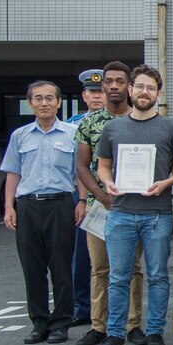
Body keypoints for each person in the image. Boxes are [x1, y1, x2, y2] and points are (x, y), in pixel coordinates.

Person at [93, 64, 173, 345]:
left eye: (151, 88)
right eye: (140, 87)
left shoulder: (170, 127)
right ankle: (116, 334)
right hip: (120, 212)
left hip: (157, 212)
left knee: (158, 275)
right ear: (130, 90)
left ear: (158, 94)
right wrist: (107, 183)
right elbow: (103, 165)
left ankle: (156, 332)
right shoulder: (113, 127)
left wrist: (166, 183)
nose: (145, 92)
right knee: (119, 276)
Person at [2, 81, 85, 344]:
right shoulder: (20, 136)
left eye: (50, 98)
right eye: (38, 98)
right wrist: (8, 207)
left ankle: (61, 322)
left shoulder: (73, 133)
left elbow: (80, 171)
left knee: (61, 266)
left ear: (59, 103)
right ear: (30, 103)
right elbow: (13, 173)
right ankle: (39, 322)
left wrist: (82, 200)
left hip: (61, 204)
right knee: (32, 266)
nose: (44, 103)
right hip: (27, 205)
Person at [73, 61, 145, 345]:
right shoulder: (89, 123)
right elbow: (81, 166)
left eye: (119, 81)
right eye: (109, 81)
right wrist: (100, 197)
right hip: (100, 206)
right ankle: (98, 326)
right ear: (102, 87)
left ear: (128, 86)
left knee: (133, 269)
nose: (113, 86)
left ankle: (133, 324)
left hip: (135, 204)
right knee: (100, 268)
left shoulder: (142, 118)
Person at [66, 68, 106, 327]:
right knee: (82, 256)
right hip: (80, 195)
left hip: (108, 194)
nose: (97, 96)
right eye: (92, 92)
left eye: (100, 91)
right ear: (83, 95)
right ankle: (82, 307)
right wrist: (81, 198)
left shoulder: (116, 121)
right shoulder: (71, 124)